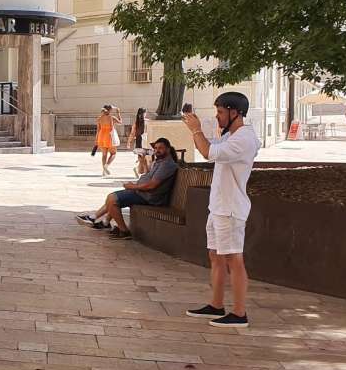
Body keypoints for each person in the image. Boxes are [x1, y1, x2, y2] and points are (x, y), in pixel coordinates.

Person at [182, 92, 261, 329]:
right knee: (216, 256)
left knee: (233, 258)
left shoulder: (243, 139)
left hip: (230, 208)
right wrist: (195, 130)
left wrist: (196, 130)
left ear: (234, 112)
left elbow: (209, 153)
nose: (217, 117)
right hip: (218, 207)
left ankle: (239, 313)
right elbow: (210, 146)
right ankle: (216, 304)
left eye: (220, 112)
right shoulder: (230, 136)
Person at [76, 138, 178, 239]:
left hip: (149, 197)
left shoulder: (167, 165)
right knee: (114, 198)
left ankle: (124, 231)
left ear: (168, 149)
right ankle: (103, 221)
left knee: (112, 199)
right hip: (143, 192)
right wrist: (142, 162)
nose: (157, 150)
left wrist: (133, 186)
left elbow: (152, 185)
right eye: (155, 148)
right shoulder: (159, 161)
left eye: (160, 148)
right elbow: (147, 174)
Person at [95, 105, 122, 175]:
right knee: (113, 153)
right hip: (109, 136)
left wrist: (96, 140)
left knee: (104, 154)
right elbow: (120, 122)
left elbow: (98, 130)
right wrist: (118, 113)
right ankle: (106, 166)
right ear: (109, 110)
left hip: (101, 136)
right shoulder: (112, 117)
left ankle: (103, 171)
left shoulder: (99, 118)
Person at [129, 107, 150, 177]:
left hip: (139, 141)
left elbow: (132, 133)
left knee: (142, 158)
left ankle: (139, 170)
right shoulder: (147, 121)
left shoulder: (137, 123)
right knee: (143, 158)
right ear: (144, 113)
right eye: (145, 113)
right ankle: (142, 171)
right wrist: (129, 142)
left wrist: (129, 142)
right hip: (144, 141)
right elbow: (132, 133)